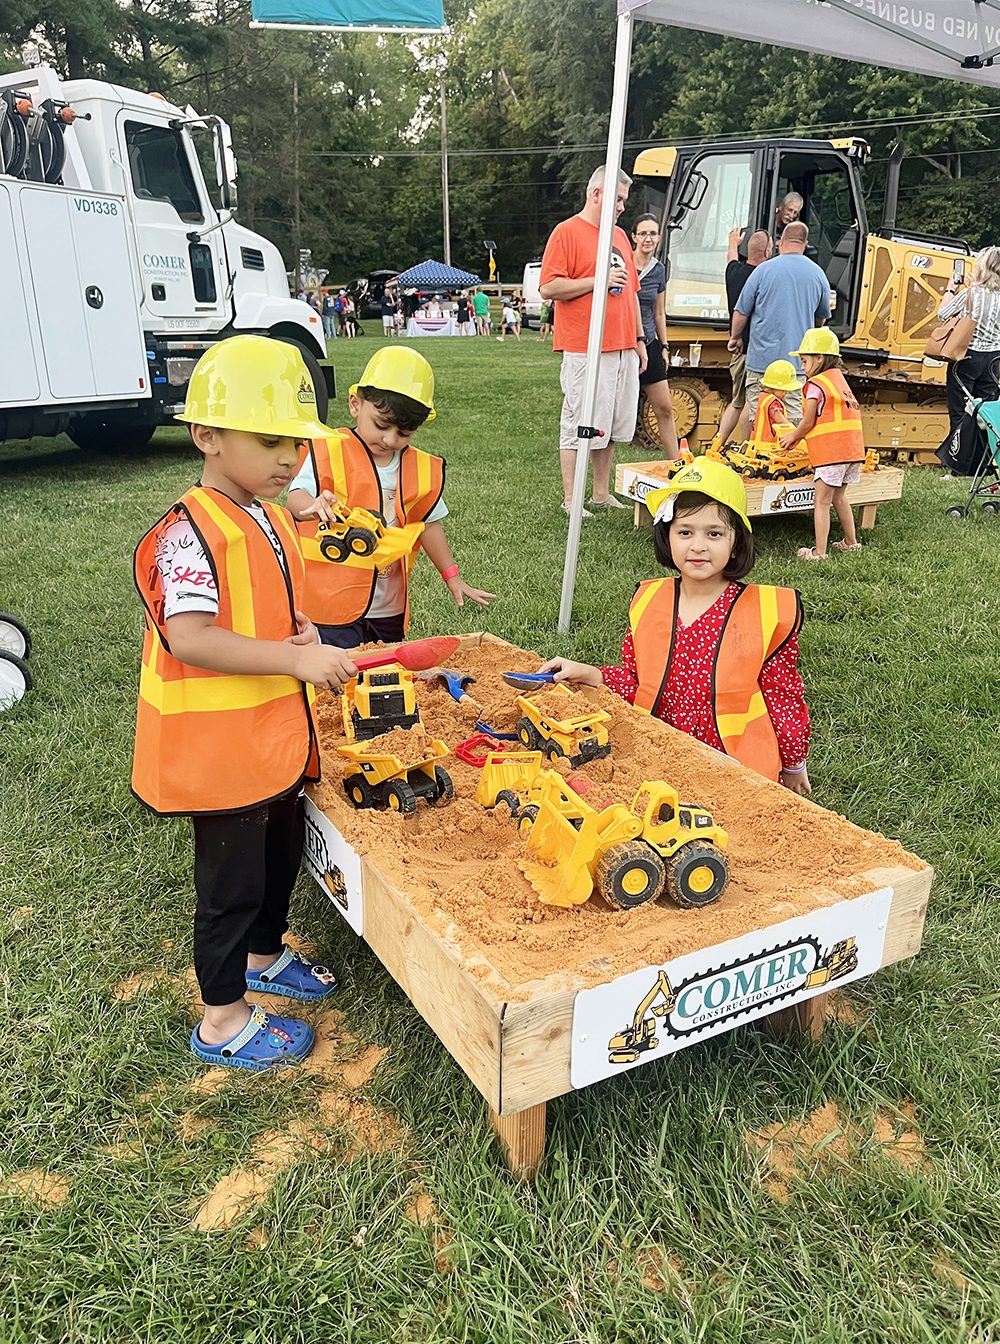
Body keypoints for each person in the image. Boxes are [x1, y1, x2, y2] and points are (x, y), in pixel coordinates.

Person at [131, 335, 358, 1071]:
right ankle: (223, 1018)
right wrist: (298, 657)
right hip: (219, 753)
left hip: (272, 740)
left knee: (279, 856)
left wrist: (301, 629)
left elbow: (263, 600)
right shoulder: (187, 533)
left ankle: (265, 955)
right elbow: (192, 637)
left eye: (297, 442)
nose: (290, 459)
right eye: (270, 441)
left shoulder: (264, 511)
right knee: (231, 885)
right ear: (207, 436)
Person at [537, 458, 810, 792]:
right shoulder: (650, 600)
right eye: (685, 532)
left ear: (736, 541)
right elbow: (637, 679)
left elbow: (783, 698)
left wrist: (794, 765)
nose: (697, 546)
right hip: (662, 756)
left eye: (714, 533)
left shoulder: (766, 611)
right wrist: (588, 672)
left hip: (735, 769)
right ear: (667, 535)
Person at [286, 347, 496, 648]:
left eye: (404, 433)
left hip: (388, 608)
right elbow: (296, 495)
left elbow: (428, 526)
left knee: (383, 675)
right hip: (330, 602)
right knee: (336, 677)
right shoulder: (330, 449)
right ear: (356, 404)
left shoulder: (420, 468)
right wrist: (312, 506)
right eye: (381, 425)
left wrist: (453, 577)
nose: (389, 439)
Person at [539, 163, 648, 516]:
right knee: (578, 422)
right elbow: (549, 287)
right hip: (585, 346)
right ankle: (571, 499)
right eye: (617, 199)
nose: (622, 207)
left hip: (622, 345)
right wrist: (596, 280)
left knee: (612, 424)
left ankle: (601, 493)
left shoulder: (618, 237)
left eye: (624, 200)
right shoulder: (567, 232)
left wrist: (640, 340)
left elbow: (631, 291)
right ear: (596, 194)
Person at [776, 329, 865, 560]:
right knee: (839, 498)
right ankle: (850, 542)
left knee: (822, 502)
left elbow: (808, 421)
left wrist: (792, 437)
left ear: (820, 358)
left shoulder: (815, 384)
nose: (802, 367)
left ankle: (819, 553)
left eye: (804, 361)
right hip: (853, 452)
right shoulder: (840, 382)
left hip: (832, 453)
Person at [729, 221, 830, 424]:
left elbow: (741, 312)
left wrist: (735, 337)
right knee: (792, 421)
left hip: (761, 362)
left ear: (780, 242)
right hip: (797, 365)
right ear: (805, 243)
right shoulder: (818, 275)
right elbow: (821, 317)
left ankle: (759, 453)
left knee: (760, 420)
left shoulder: (763, 271)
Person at [936, 246, 1000, 477]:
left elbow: (942, 314)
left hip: (967, 358)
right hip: (994, 360)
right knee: (987, 414)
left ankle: (958, 467)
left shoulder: (972, 294)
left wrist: (951, 289)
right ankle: (986, 466)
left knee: (961, 411)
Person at [718, 228, 772, 444]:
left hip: (738, 351)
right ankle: (745, 446)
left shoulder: (735, 272)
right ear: (768, 252)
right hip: (756, 350)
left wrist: (732, 243)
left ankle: (717, 443)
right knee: (751, 402)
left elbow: (731, 259)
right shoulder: (765, 277)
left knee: (737, 401)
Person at [632, 212, 679, 458]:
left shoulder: (659, 270)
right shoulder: (623, 264)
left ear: (659, 238)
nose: (648, 239)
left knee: (665, 408)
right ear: (634, 237)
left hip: (649, 342)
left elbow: (659, 312)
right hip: (624, 343)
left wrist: (664, 346)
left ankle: (676, 463)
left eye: (652, 234)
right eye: (643, 233)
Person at [750, 360, 799, 444]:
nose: (786, 392)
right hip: (768, 444)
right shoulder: (773, 403)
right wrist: (795, 433)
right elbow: (781, 420)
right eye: (784, 389)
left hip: (757, 443)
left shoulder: (764, 397)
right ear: (774, 387)